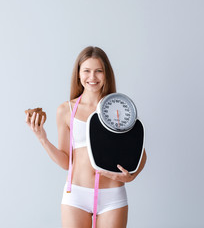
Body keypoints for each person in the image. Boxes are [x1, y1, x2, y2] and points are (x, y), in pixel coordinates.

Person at [25, 46, 147, 228]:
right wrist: (42, 138)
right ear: (78, 75)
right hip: (76, 195)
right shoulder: (65, 110)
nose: (92, 77)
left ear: (106, 75)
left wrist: (132, 176)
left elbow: (141, 153)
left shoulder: (119, 110)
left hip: (112, 196)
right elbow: (66, 161)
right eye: (87, 71)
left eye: (99, 71)